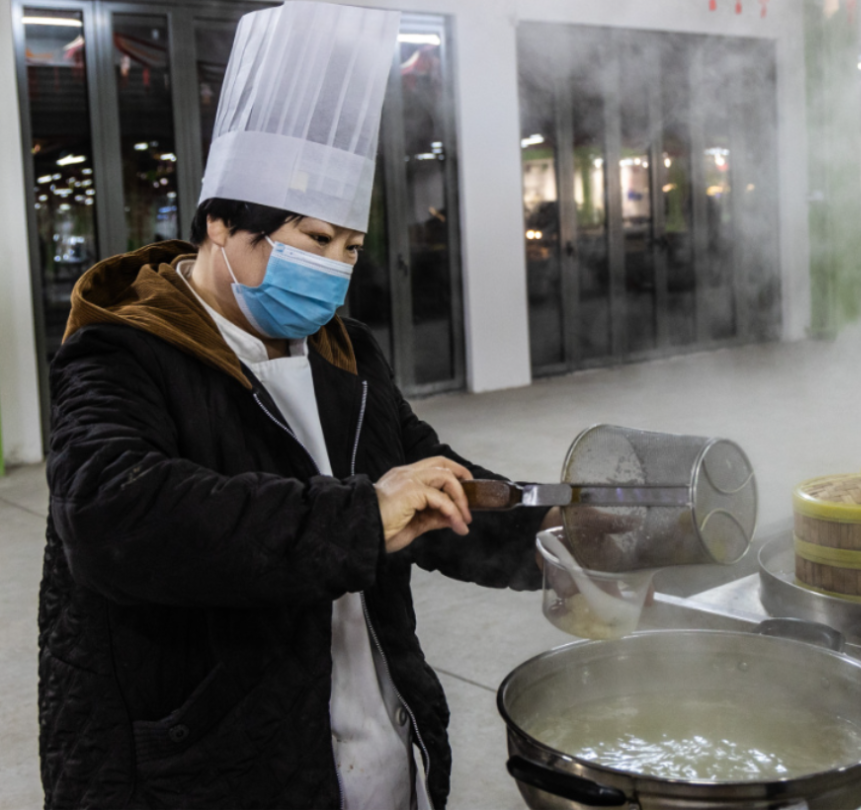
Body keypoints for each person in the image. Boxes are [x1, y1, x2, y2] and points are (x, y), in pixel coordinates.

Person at [39, 4, 554, 808]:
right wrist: (360, 517)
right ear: (221, 223)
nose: (334, 270)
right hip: (215, 765)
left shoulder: (344, 351)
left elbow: (424, 481)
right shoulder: (123, 349)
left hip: (374, 736)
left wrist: (552, 538)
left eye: (351, 247)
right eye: (314, 240)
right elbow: (114, 517)